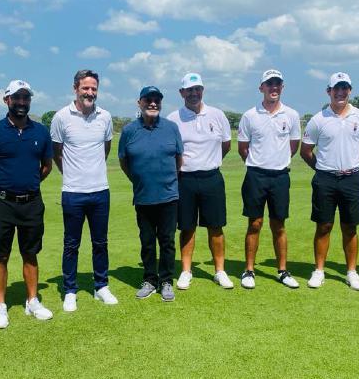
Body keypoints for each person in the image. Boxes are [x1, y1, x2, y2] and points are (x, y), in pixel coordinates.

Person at [0, 80, 54, 327]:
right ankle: (0, 306)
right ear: (6, 100)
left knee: (30, 253)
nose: (22, 102)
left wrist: (29, 184)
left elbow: (46, 166)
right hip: (1, 204)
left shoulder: (41, 132)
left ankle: (32, 301)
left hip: (31, 203)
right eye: (17, 98)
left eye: (26, 98)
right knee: (0, 255)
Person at [300, 72, 359, 290]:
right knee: (323, 226)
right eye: (336, 88)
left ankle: (351, 271)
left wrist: (355, 165)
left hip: (352, 178)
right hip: (325, 179)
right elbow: (306, 151)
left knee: (350, 227)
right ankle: (319, 270)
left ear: (350, 90)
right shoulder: (318, 119)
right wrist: (322, 168)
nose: (340, 92)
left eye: (345, 88)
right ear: (329, 91)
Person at [50, 70, 118, 312]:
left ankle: (101, 286)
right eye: (85, 88)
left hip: (100, 190)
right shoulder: (61, 117)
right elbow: (56, 153)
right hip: (73, 192)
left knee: (100, 242)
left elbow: (105, 148)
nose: (89, 93)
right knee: (71, 244)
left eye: (93, 89)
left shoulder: (105, 117)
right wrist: (71, 173)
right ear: (75, 88)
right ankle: (70, 289)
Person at [166, 73, 233, 290]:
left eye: (198, 89)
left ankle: (219, 271)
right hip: (184, 178)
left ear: (202, 90)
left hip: (211, 177)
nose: (194, 93)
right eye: (189, 90)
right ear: (182, 92)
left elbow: (225, 145)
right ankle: (186, 271)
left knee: (216, 226)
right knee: (187, 227)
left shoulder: (217, 114)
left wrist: (209, 162)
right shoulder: (173, 118)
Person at [237, 69, 301, 290]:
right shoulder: (250, 115)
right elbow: (243, 148)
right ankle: (249, 270)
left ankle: (283, 270)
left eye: (277, 84)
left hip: (280, 176)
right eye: (269, 84)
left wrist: (276, 161)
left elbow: (293, 146)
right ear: (261, 87)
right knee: (254, 223)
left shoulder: (291, 115)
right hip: (256, 175)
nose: (273, 87)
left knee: (279, 225)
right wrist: (261, 163)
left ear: (282, 87)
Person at [118, 86, 183, 302]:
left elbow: (178, 160)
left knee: (167, 241)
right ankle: (149, 279)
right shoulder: (129, 131)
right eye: (148, 100)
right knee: (147, 241)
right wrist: (139, 180)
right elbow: (124, 161)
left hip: (168, 196)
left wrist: (168, 181)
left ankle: (166, 281)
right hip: (143, 196)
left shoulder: (171, 128)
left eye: (157, 100)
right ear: (140, 103)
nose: (153, 103)